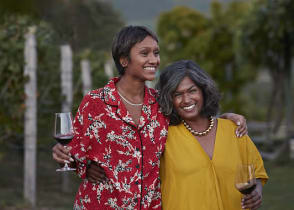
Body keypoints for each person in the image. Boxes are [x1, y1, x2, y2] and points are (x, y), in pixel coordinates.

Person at [52, 26, 247, 209]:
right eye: (144, 53)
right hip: (101, 204)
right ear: (124, 60)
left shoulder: (162, 103)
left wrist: (225, 118)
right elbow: (72, 152)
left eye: (156, 53)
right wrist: (67, 158)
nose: (154, 60)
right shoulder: (95, 102)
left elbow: (194, 121)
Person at [156, 60, 268, 210]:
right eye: (178, 94)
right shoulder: (162, 137)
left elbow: (256, 173)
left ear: (203, 90)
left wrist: (257, 193)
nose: (186, 100)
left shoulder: (234, 130)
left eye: (192, 91)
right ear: (169, 99)